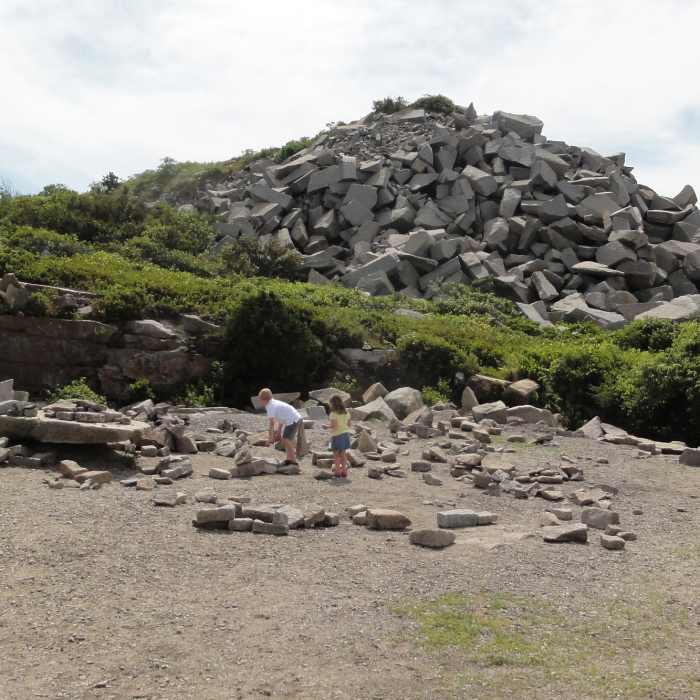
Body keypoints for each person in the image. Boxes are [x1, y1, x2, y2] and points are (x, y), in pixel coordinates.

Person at [257, 388, 302, 465]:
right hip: (294, 418)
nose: (259, 402)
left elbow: (271, 423)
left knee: (286, 440)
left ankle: (293, 461)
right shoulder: (273, 403)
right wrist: (278, 432)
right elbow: (280, 419)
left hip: (293, 420)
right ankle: (289, 459)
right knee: (285, 440)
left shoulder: (270, 406)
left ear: (264, 399)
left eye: (260, 400)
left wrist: (270, 438)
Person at [328, 393, 352, 478]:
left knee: (336, 454)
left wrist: (326, 426)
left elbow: (334, 426)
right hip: (345, 434)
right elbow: (349, 424)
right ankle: (344, 471)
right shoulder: (346, 412)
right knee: (343, 454)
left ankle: (337, 472)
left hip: (337, 435)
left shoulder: (333, 414)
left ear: (332, 403)